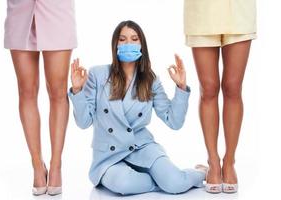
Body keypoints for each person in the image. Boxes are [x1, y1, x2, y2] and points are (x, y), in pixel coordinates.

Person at [69, 20, 207, 195]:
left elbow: (174, 122)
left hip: (142, 147)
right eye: (122, 39)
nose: (128, 43)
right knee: (125, 184)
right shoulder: (97, 74)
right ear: (115, 44)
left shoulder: (151, 80)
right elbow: (83, 122)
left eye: (134, 39)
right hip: (109, 156)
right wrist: (77, 90)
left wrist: (181, 88)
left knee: (175, 184)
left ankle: (201, 172)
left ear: (142, 45)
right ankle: (162, 181)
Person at [4, 0, 77, 196]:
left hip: (57, 9)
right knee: (26, 90)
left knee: (57, 91)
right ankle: (37, 166)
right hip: (20, 10)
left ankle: (55, 166)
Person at [184, 0, 257, 193]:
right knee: (208, 88)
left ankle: (230, 161)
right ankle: (213, 162)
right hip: (201, 10)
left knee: (233, 87)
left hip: (239, 10)